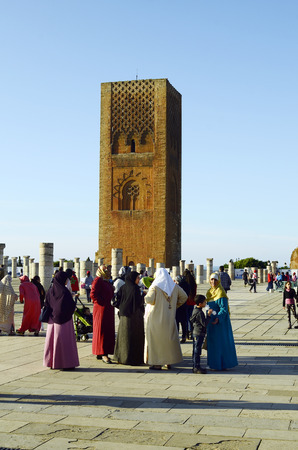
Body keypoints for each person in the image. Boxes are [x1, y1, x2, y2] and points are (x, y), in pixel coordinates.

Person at [144, 268, 188, 370]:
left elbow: (149, 300)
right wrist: (175, 305)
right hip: (169, 318)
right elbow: (184, 297)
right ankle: (168, 362)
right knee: (168, 340)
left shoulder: (154, 287)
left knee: (156, 342)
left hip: (155, 319)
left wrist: (145, 295)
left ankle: (157, 363)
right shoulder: (174, 286)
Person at [43, 271, 79, 370]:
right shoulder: (65, 291)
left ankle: (52, 362)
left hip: (52, 321)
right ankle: (65, 364)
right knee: (65, 342)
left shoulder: (50, 291)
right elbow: (71, 306)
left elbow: (47, 304)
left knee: (52, 342)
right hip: (64, 321)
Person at [206, 272, 238, 371]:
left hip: (219, 323)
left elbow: (223, 309)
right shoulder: (209, 292)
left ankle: (220, 364)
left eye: (215, 279)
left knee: (220, 343)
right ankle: (213, 364)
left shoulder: (220, 292)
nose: (213, 281)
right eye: (212, 279)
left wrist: (218, 318)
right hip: (211, 322)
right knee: (212, 343)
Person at [114, 271, 145, 365]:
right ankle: (133, 358)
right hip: (134, 316)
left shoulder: (123, 287)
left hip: (123, 315)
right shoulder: (135, 288)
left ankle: (121, 357)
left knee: (123, 337)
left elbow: (116, 299)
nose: (139, 280)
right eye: (137, 278)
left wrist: (121, 307)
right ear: (133, 278)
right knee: (134, 337)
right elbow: (138, 302)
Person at [91, 265, 115, 364]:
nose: (107, 272)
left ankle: (100, 352)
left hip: (107, 309)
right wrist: (102, 302)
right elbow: (93, 294)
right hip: (102, 310)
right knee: (102, 330)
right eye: (105, 270)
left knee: (106, 330)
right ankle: (103, 353)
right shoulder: (98, 280)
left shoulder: (105, 281)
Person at [189, 294, 213, 374]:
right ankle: (196, 367)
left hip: (196, 332)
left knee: (195, 349)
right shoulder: (199, 313)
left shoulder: (195, 310)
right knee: (197, 350)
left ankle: (195, 366)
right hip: (199, 333)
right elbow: (204, 323)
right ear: (200, 304)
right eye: (204, 302)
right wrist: (209, 315)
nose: (206, 303)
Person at [175, 275, 190, 343]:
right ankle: (185, 336)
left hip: (178, 306)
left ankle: (177, 336)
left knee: (177, 322)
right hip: (184, 305)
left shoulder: (177, 287)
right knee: (184, 322)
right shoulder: (187, 285)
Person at [183, 269, 197, 340]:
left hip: (186, 302)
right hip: (192, 302)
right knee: (191, 318)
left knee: (186, 319)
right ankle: (191, 332)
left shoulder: (185, 283)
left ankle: (187, 333)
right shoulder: (193, 283)